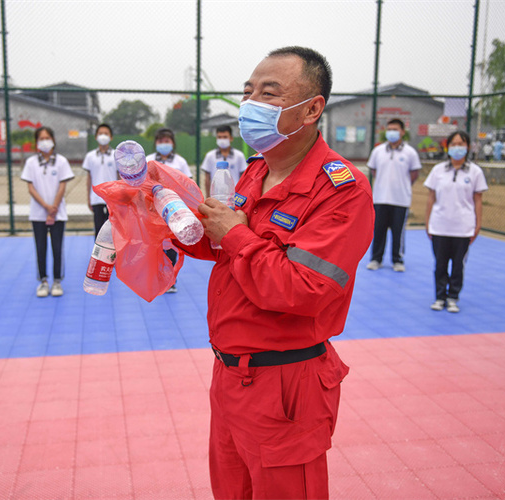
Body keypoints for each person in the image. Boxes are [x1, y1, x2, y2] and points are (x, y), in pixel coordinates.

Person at [177, 46, 374, 499]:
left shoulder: (341, 190)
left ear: (311, 109)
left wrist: (237, 235)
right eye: (247, 92)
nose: (250, 104)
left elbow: (301, 289)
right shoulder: (255, 172)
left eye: (269, 93)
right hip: (228, 376)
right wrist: (171, 223)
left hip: (285, 385)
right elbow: (228, 251)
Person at [424, 130, 488, 313]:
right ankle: (439, 297)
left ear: (467, 147)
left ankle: (453, 297)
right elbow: (431, 198)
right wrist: (427, 222)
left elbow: (478, 200)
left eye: (461, 144)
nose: (457, 148)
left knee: (458, 265)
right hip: (440, 226)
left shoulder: (475, 172)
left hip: (463, 228)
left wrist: (477, 224)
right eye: (453, 144)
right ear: (447, 147)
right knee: (440, 264)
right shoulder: (438, 170)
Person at [20, 126, 74, 298]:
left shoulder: (62, 162)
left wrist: (54, 208)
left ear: (53, 140)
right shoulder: (31, 163)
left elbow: (62, 186)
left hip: (58, 213)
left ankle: (57, 281)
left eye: (47, 138)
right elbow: (30, 187)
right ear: (36, 143)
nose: (44, 141)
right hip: (38, 214)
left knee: (57, 248)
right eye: (40, 138)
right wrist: (45, 206)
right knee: (40, 248)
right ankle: (43, 281)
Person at [365, 118, 422, 272]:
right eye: (389, 129)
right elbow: (374, 170)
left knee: (398, 232)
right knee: (378, 231)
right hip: (380, 198)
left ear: (403, 132)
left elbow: (414, 173)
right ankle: (376, 259)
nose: (392, 132)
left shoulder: (410, 152)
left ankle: (398, 260)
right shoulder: (378, 151)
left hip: (401, 200)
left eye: (395, 129)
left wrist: (402, 186)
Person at [146, 127, 192, 293]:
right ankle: (156, 277)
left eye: (167, 141)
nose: (163, 144)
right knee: (155, 244)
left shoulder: (180, 162)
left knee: (171, 243)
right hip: (153, 208)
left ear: (172, 143)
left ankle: (171, 280)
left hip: (174, 208)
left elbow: (188, 184)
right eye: (160, 141)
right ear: (155, 143)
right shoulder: (149, 161)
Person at [82, 123, 117, 237]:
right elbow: (89, 177)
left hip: (112, 199)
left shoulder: (116, 155)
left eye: (106, 134)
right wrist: (88, 197)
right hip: (96, 198)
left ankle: (113, 255)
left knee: (113, 230)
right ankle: (98, 255)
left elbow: (119, 177)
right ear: (96, 136)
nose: (103, 136)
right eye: (100, 133)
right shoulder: (90, 156)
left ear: (111, 137)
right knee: (98, 230)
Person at [200, 124, 246, 195]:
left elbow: (243, 178)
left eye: (225, 137)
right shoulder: (210, 156)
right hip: (216, 195)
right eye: (219, 137)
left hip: (234, 196)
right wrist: (208, 196)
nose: (222, 140)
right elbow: (207, 179)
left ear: (231, 138)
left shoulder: (239, 156)